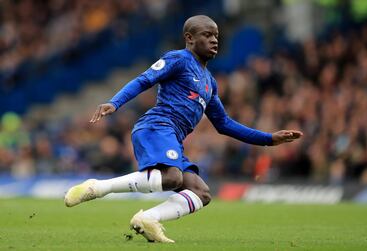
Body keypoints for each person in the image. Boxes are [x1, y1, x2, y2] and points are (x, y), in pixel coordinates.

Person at [64, 15, 303, 243]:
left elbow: (224, 124)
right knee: (172, 177)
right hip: (156, 126)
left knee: (201, 192)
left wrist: (269, 139)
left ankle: (148, 219)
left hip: (172, 137)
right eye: (207, 35)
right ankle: (98, 187)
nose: (214, 40)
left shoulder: (210, 82)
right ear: (189, 38)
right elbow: (144, 79)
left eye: (216, 36)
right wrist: (115, 102)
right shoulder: (178, 59)